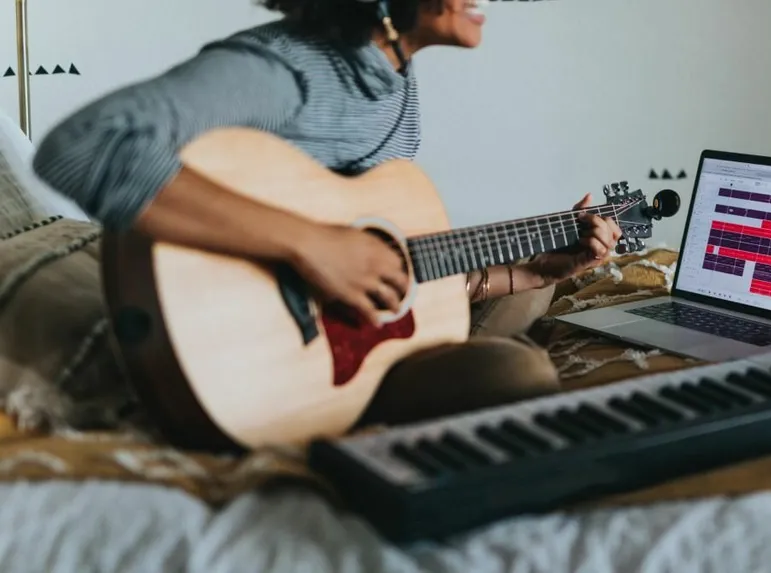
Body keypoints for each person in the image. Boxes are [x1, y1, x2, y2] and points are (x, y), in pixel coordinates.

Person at [31, 0, 622, 427]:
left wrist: (531, 273)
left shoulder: (393, 80)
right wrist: (311, 245)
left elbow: (383, 264)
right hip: (251, 346)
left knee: (532, 297)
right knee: (520, 378)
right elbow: (85, 145)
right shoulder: (284, 69)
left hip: (345, 329)